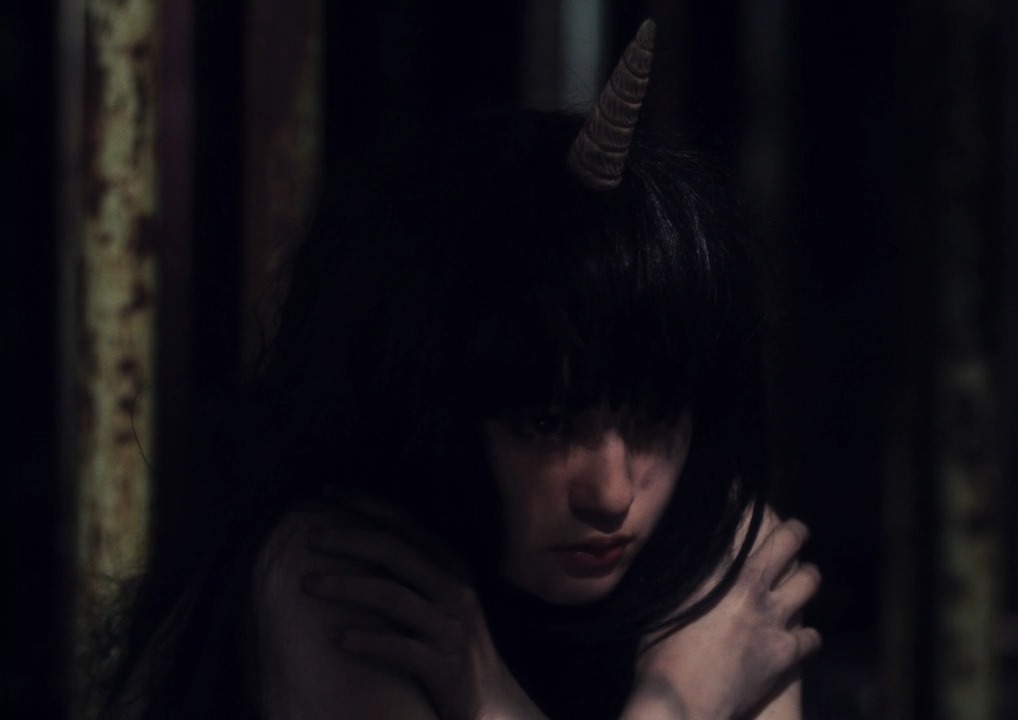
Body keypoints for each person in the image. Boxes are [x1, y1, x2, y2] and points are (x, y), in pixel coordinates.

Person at [97, 20, 821, 720]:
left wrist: (493, 701)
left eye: (653, 417)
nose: (611, 492)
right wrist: (682, 701)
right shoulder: (342, 577)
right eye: (546, 423)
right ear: (427, 405)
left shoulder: (718, 574)